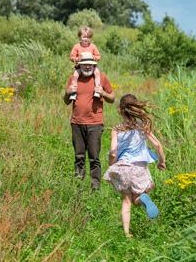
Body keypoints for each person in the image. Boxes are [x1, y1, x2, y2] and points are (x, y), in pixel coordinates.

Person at [103, 94, 166, 238]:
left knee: (126, 201)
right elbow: (157, 145)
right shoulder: (142, 126)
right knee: (139, 196)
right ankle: (143, 198)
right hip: (138, 168)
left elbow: (113, 152)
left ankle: (126, 234)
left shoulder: (117, 129)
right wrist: (162, 162)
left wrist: (112, 165)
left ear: (120, 110)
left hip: (122, 167)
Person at [63, 52, 115, 190]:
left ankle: (95, 188)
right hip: (76, 123)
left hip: (95, 124)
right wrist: (68, 93)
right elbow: (66, 101)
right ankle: (78, 185)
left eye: (90, 64)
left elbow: (112, 98)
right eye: (84, 64)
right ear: (79, 65)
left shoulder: (101, 78)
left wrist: (102, 92)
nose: (87, 67)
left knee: (94, 157)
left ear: (94, 65)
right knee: (79, 156)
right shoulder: (73, 78)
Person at [69, 26, 102, 100]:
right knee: (75, 75)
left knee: (97, 73)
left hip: (92, 67)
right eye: (84, 37)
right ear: (79, 37)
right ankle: (73, 92)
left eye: (88, 37)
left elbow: (98, 56)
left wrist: (95, 57)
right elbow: (71, 57)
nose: (86, 39)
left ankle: (97, 89)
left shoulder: (93, 46)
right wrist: (77, 59)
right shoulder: (76, 46)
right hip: (80, 66)